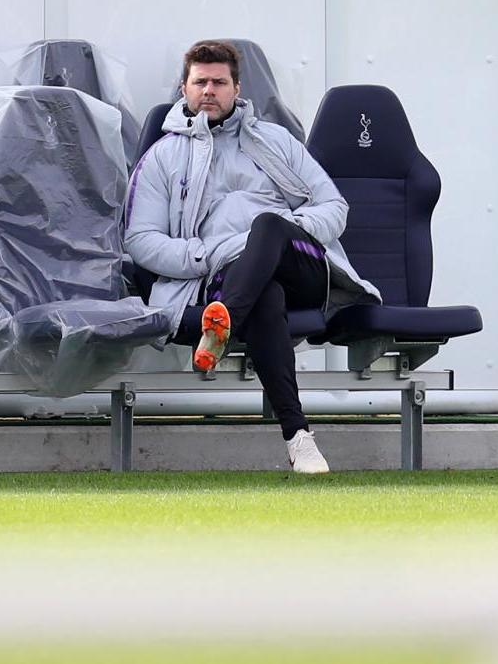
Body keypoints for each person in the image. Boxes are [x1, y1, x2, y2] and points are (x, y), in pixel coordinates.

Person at [123, 40, 380, 474]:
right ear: (183, 89)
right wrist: (204, 254)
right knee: (266, 297)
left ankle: (222, 325)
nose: (209, 90)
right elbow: (141, 240)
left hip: (300, 263)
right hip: (221, 272)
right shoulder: (162, 158)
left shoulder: (276, 141)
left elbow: (334, 207)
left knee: (267, 226)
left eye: (218, 82)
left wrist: (288, 230)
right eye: (200, 81)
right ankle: (299, 437)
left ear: (236, 88)